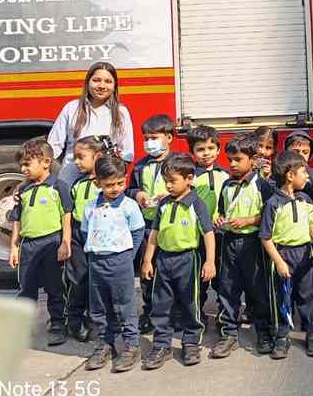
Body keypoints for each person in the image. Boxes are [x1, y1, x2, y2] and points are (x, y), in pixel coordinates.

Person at [140, 153, 216, 370]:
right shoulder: (164, 204)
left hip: (187, 260)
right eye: (166, 181)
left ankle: (191, 342)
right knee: (161, 304)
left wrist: (210, 261)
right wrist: (148, 260)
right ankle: (161, 345)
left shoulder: (197, 204)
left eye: (173, 181)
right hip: (163, 260)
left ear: (189, 179)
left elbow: (208, 234)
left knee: (190, 302)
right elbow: (154, 233)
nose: (168, 186)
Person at [212, 133, 274, 359]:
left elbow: (270, 215)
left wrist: (249, 220)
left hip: (253, 243)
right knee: (228, 287)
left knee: (257, 289)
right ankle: (228, 333)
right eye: (230, 159)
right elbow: (221, 210)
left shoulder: (262, 185)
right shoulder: (227, 185)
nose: (232, 164)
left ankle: (264, 331)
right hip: (229, 242)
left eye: (238, 159)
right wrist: (219, 219)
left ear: (253, 160)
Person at [260, 152, 313, 360]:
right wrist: (279, 262)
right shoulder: (273, 203)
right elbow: (266, 237)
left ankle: (311, 332)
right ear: (290, 176)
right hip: (282, 254)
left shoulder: (305, 199)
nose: (307, 176)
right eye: (303, 172)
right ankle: (282, 335)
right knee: (283, 298)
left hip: (305, 255)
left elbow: (312, 224)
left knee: (308, 295)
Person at [82, 155, 145, 374]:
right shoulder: (90, 207)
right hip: (96, 262)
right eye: (109, 185)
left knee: (125, 305)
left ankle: (132, 345)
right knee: (99, 306)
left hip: (120, 261)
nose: (116, 188)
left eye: (120, 183)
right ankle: (105, 344)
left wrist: (128, 256)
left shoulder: (129, 206)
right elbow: (85, 232)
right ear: (97, 183)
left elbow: (137, 232)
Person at [8, 138, 73, 347]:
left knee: (55, 287)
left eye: (27, 164)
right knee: (26, 288)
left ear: (46, 162)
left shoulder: (58, 187)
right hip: (28, 246)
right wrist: (14, 247)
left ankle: (58, 324)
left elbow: (66, 216)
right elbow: (17, 219)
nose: (23, 169)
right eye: (21, 165)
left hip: (51, 243)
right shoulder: (23, 191)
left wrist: (65, 242)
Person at [48, 62, 134, 188]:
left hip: (103, 184)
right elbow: (53, 146)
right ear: (88, 82)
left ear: (115, 86)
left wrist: (113, 177)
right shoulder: (71, 108)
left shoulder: (121, 113)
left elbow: (127, 153)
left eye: (108, 81)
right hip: (70, 180)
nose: (102, 86)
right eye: (96, 80)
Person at [128, 114, 175, 332]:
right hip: (147, 226)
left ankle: (174, 312)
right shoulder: (140, 166)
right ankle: (149, 312)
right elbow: (130, 189)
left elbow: (191, 188)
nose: (149, 143)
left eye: (154, 138)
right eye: (146, 138)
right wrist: (139, 195)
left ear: (169, 137)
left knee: (170, 273)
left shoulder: (179, 163)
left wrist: (171, 194)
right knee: (148, 271)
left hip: (172, 227)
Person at [65, 135, 106, 342]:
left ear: (97, 157)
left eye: (81, 157)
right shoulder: (77, 184)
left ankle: (97, 320)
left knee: (99, 280)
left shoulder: (106, 185)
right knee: (78, 279)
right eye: (75, 157)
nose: (76, 162)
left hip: (100, 236)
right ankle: (74, 321)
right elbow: (68, 214)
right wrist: (67, 241)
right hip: (78, 236)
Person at [189, 124, 226, 318]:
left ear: (218, 149)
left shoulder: (226, 175)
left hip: (220, 234)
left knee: (223, 279)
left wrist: (224, 216)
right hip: (198, 236)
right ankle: (197, 315)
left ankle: (223, 315)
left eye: (211, 148)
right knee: (198, 278)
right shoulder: (191, 177)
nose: (206, 153)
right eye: (200, 149)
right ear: (192, 152)